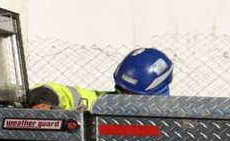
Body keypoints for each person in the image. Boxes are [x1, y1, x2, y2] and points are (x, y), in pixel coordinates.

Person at [26, 47, 174, 109]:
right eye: (121, 90)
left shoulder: (175, 118)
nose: (124, 97)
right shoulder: (104, 103)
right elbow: (65, 93)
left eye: (132, 94)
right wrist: (43, 100)